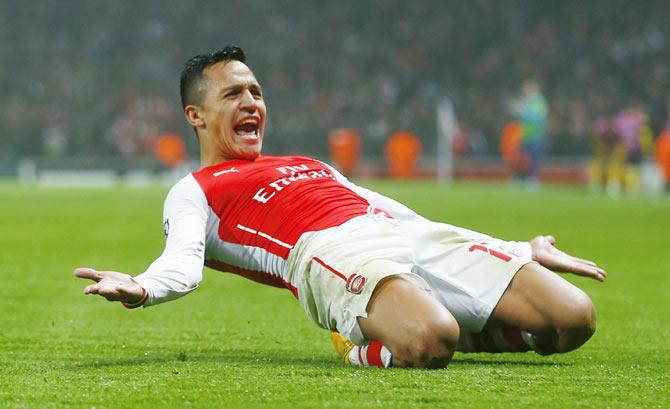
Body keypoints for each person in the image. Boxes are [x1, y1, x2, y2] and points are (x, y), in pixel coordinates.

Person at [75, 46, 606, 369]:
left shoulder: (308, 161)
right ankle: (358, 343)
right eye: (234, 94)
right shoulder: (194, 189)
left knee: (573, 319)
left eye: (256, 92)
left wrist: (515, 249)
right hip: (329, 252)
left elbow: (397, 213)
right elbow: (185, 262)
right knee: (432, 341)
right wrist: (143, 288)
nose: (252, 103)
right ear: (195, 115)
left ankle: (434, 321)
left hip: (396, 235)